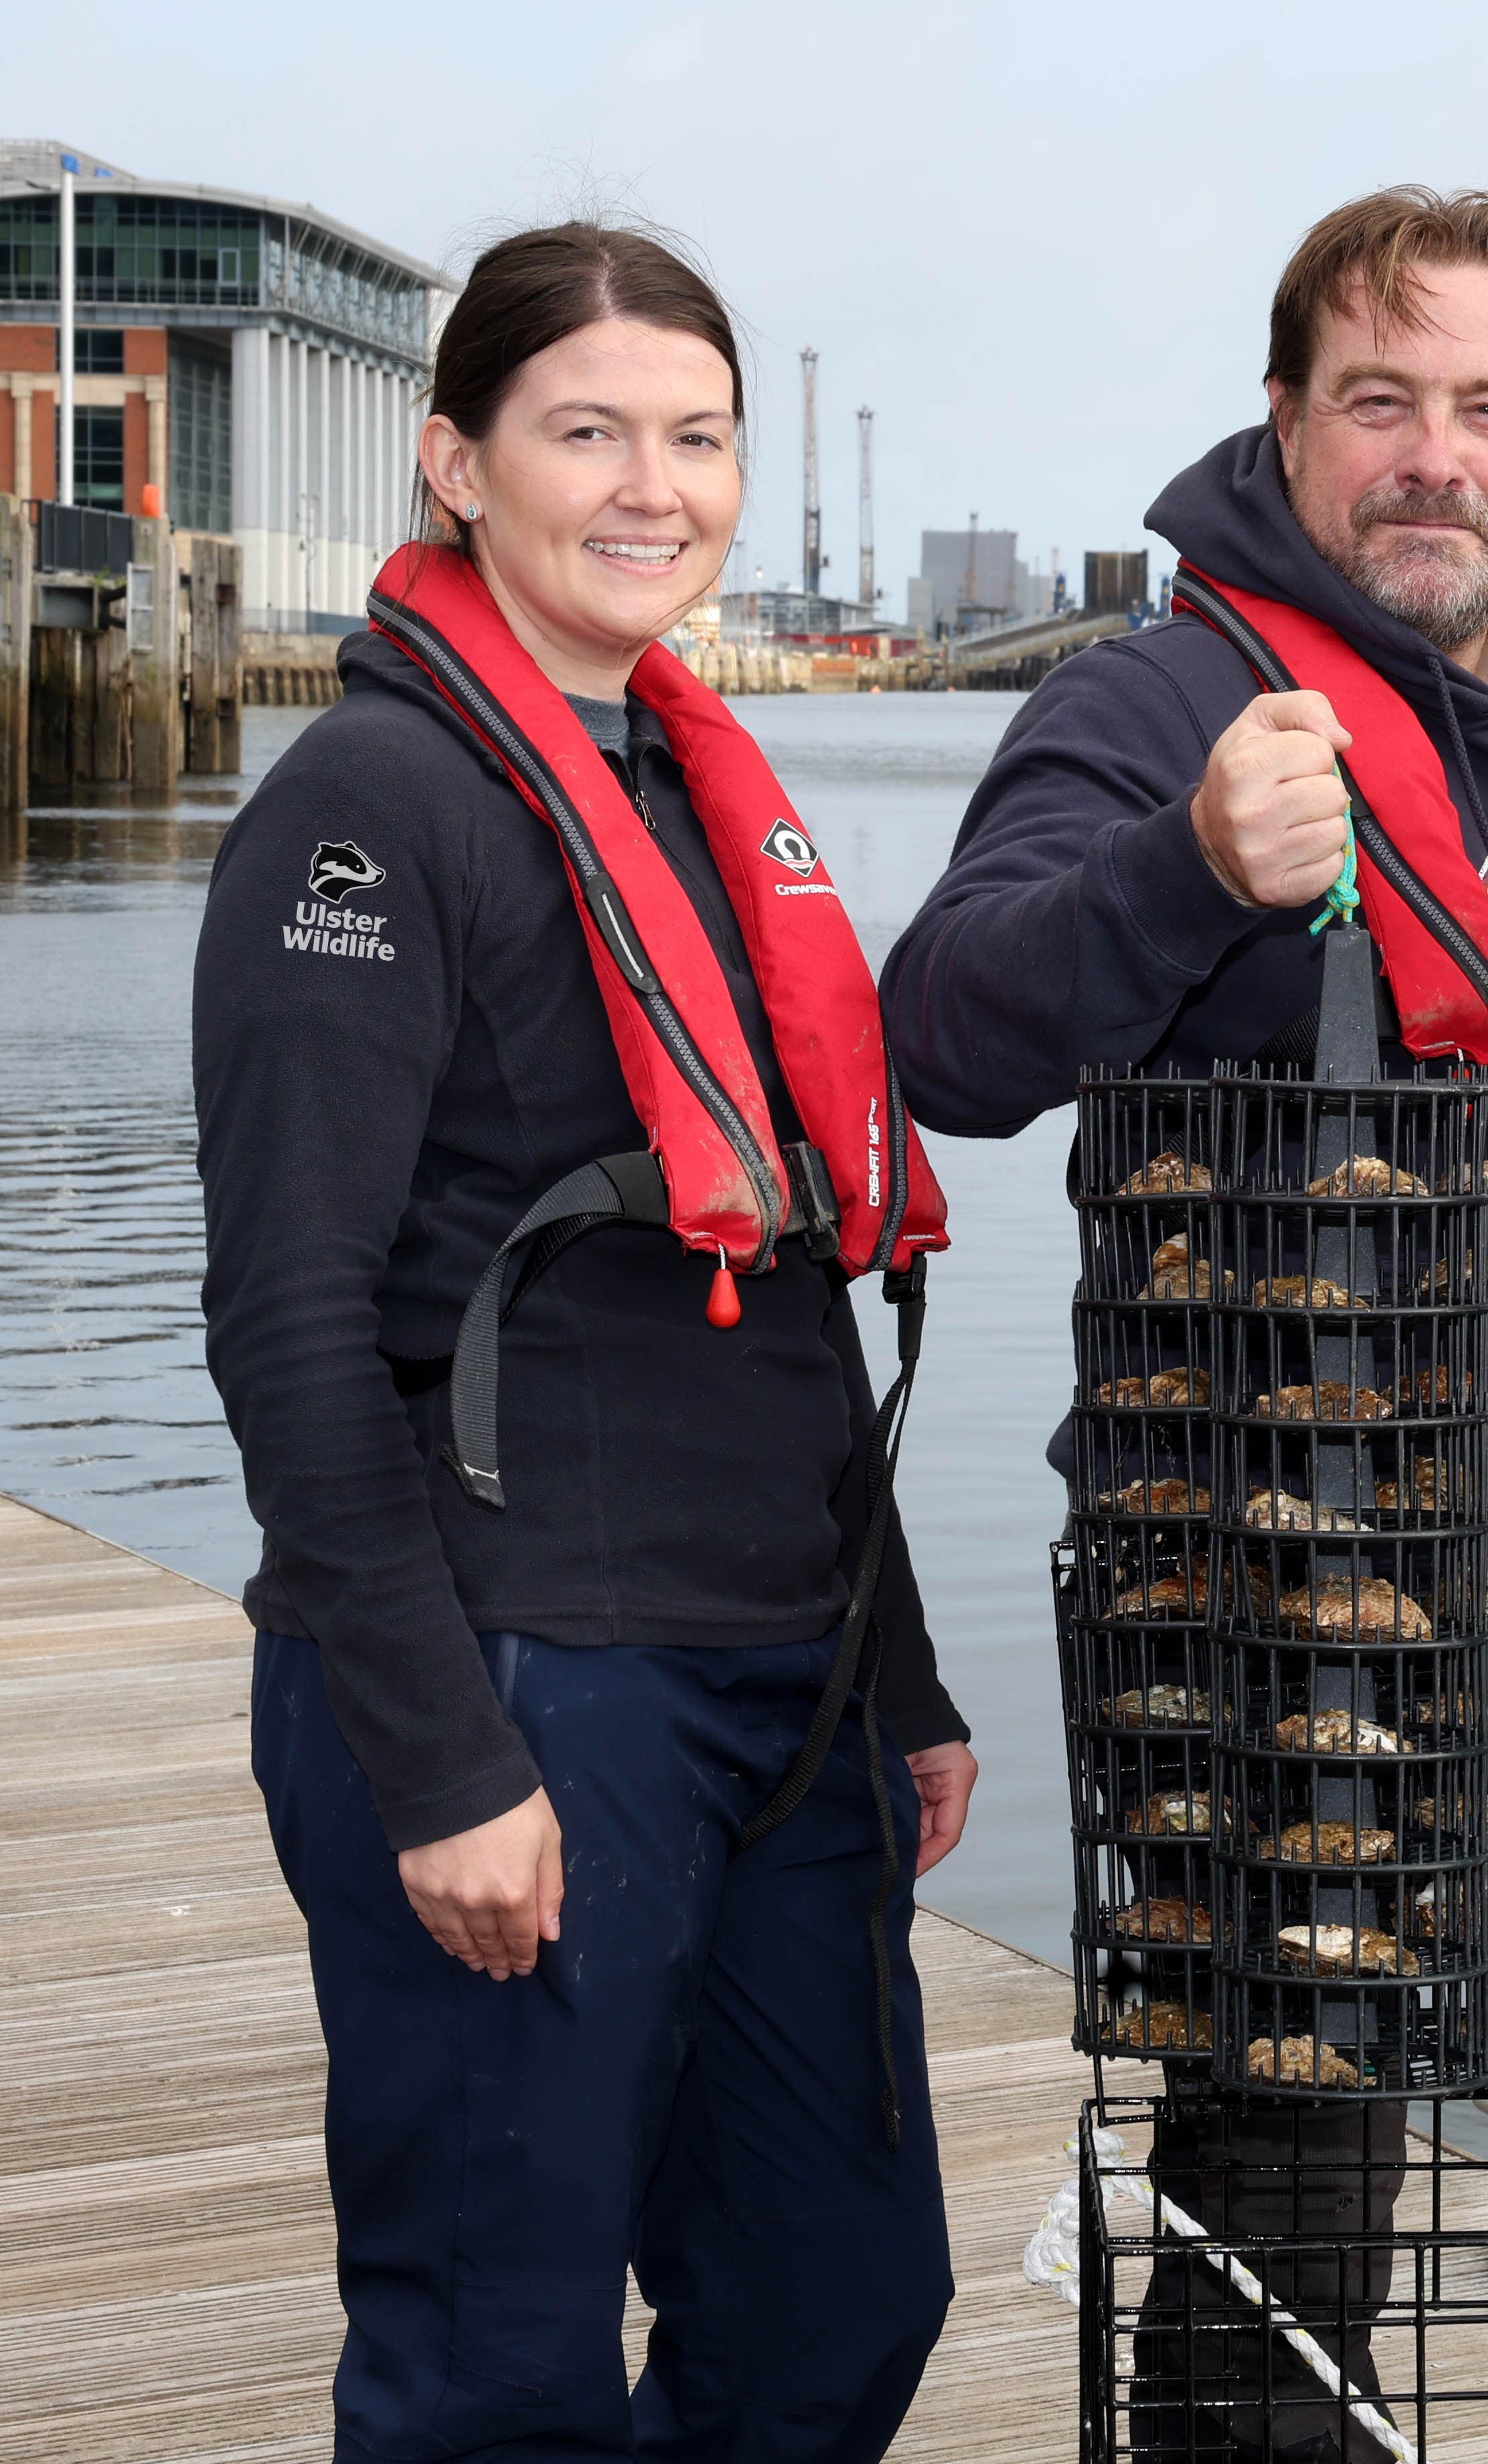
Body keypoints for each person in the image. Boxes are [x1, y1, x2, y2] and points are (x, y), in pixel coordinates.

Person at [882, 186, 1488, 2459]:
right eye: (1377, 400)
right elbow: (941, 1037)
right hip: (1282, 1622)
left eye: (1486, 408)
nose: (1433, 455)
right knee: (1288, 2241)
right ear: (1285, 420)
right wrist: (1187, 864)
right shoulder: (1157, 701)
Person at [192, 222, 969, 2462]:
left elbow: (784, 1281)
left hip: (778, 1684)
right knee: (494, 2363)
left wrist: (890, 1674)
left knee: (837, 2297)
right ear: (457, 462)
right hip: (524, 1672)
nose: (655, 486)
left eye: (699, 437)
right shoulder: (369, 808)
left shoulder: (689, 794)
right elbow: (289, 1326)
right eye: (588, 432)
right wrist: (442, 1759)